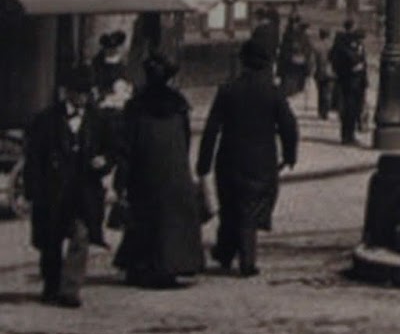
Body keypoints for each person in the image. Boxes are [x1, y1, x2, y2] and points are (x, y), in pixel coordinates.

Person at [196, 35, 299, 276]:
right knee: (250, 210)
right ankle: (246, 260)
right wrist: (290, 154)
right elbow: (288, 126)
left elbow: (212, 128)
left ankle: (225, 252)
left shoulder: (228, 90)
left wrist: (203, 163)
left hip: (229, 159)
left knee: (231, 207)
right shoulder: (273, 93)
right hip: (262, 162)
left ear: (242, 62)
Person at [23, 64, 114, 307]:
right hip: (53, 192)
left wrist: (104, 161)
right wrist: (31, 190)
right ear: (67, 92)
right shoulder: (46, 120)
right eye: (78, 92)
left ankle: (70, 289)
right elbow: (34, 158)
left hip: (83, 192)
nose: (83, 98)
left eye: (87, 92)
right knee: (50, 241)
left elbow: (113, 149)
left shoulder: (99, 119)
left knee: (81, 236)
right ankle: (51, 285)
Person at [112, 54, 205, 288]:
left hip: (144, 171)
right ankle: (172, 265)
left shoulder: (136, 106)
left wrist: (120, 182)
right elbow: (185, 140)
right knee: (171, 222)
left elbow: (125, 147)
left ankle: (141, 266)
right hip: (174, 171)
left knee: (144, 219)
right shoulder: (179, 105)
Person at [330, 21, 369, 146]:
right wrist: (353, 67)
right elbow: (341, 60)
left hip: (358, 82)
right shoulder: (344, 46)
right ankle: (347, 136)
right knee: (349, 110)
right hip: (349, 82)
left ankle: (351, 134)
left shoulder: (357, 47)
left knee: (355, 109)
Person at [313, 28, 335, 121]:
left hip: (319, 71)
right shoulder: (332, 46)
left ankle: (320, 111)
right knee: (328, 92)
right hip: (331, 72)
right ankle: (325, 111)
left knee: (320, 92)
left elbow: (312, 60)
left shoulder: (316, 46)